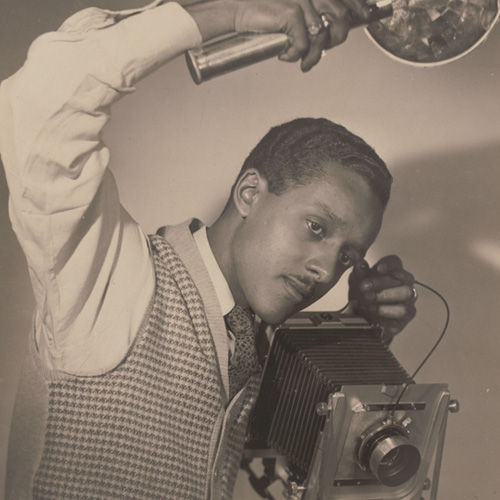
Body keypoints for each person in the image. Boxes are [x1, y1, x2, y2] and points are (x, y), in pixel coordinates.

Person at [0, 0, 416, 498]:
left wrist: (362, 331)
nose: (326, 269)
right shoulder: (110, 278)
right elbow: (42, 96)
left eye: (348, 256)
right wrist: (231, 12)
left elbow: (287, 467)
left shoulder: (256, 342)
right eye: (315, 227)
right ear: (248, 193)